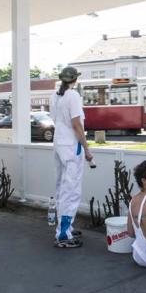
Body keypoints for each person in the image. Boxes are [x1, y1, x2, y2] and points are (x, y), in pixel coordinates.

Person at [50, 67, 94, 248]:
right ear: (75, 79)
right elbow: (77, 125)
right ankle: (63, 234)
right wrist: (87, 148)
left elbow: (57, 120)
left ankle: (64, 226)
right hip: (71, 147)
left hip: (59, 144)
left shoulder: (55, 95)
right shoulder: (73, 96)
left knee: (61, 187)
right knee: (72, 190)